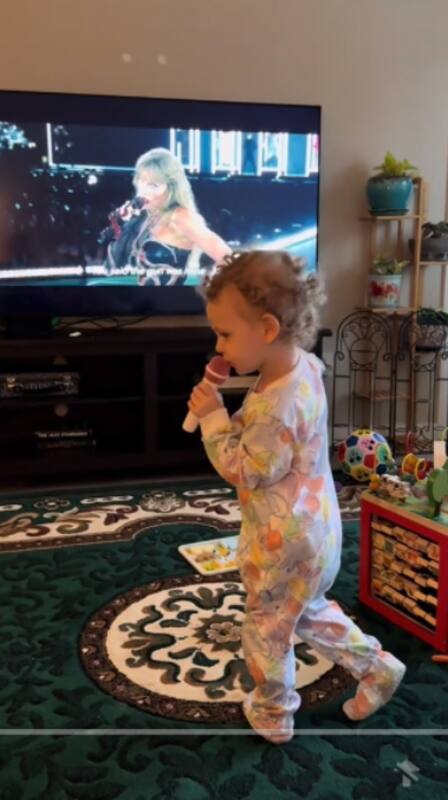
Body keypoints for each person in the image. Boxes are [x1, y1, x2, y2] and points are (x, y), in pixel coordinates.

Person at [189, 250, 406, 743]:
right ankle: (376, 667)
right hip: (317, 531)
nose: (217, 345)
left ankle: (272, 712)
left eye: (224, 333)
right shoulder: (302, 367)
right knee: (306, 611)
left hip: (282, 542)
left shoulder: (275, 406)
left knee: (266, 630)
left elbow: (245, 469)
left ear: (266, 328)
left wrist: (213, 419)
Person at [106, 147, 231, 286]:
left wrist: (207, 288)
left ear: (171, 188)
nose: (144, 190)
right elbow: (114, 266)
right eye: (141, 181)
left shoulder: (181, 217)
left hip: (171, 304)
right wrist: (123, 224)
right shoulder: (147, 217)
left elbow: (228, 258)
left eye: (153, 185)